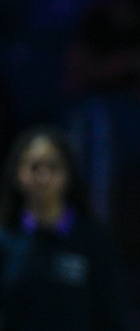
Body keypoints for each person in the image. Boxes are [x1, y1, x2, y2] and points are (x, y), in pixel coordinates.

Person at [0, 125, 131, 330]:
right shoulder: (5, 241)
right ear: (18, 173)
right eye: (34, 166)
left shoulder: (94, 242)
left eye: (53, 166)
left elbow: (114, 316)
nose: (43, 176)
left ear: (68, 175)